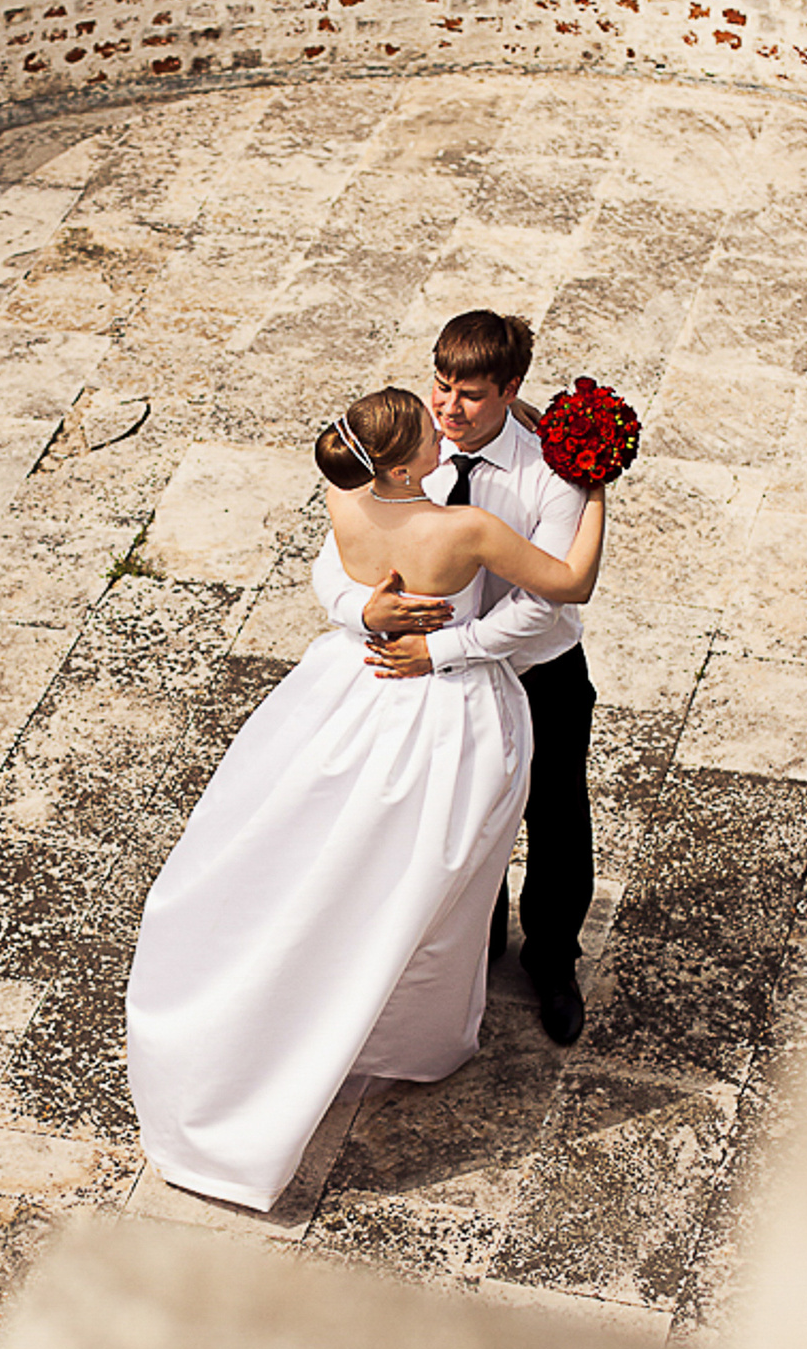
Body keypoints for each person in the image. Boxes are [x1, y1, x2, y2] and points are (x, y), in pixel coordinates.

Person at [126, 387, 605, 1210]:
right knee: (430, 869)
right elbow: (571, 580)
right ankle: (401, 1009)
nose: (443, 417)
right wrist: (599, 492)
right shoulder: (465, 529)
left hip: (353, 695)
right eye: (430, 418)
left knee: (369, 859)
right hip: (442, 715)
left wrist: (372, 605)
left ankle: (448, 979)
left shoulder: (345, 494)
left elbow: (342, 555)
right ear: (411, 458)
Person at [311, 310, 599, 1046]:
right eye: (441, 386)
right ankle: (473, 948)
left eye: (469, 393)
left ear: (511, 389)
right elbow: (337, 553)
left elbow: (544, 605)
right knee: (455, 823)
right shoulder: (413, 447)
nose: (448, 407)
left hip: (536, 672)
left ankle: (554, 960)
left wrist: (443, 649)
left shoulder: (550, 473)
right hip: (441, 690)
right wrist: (362, 608)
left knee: (556, 818)